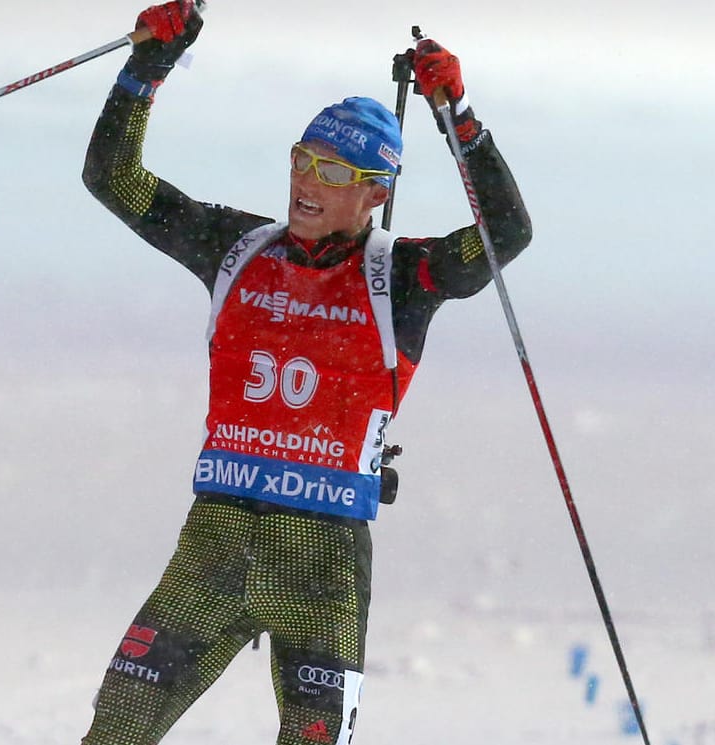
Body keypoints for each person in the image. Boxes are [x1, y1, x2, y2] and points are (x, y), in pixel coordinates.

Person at [79, 2, 531, 744]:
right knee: (117, 724)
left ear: (373, 192)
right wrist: (148, 64)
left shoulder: (405, 276)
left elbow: (505, 233)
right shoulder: (235, 247)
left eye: (331, 169)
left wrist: (460, 119)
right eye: (300, 157)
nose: (305, 180)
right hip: (215, 545)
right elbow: (113, 178)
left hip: (321, 564)